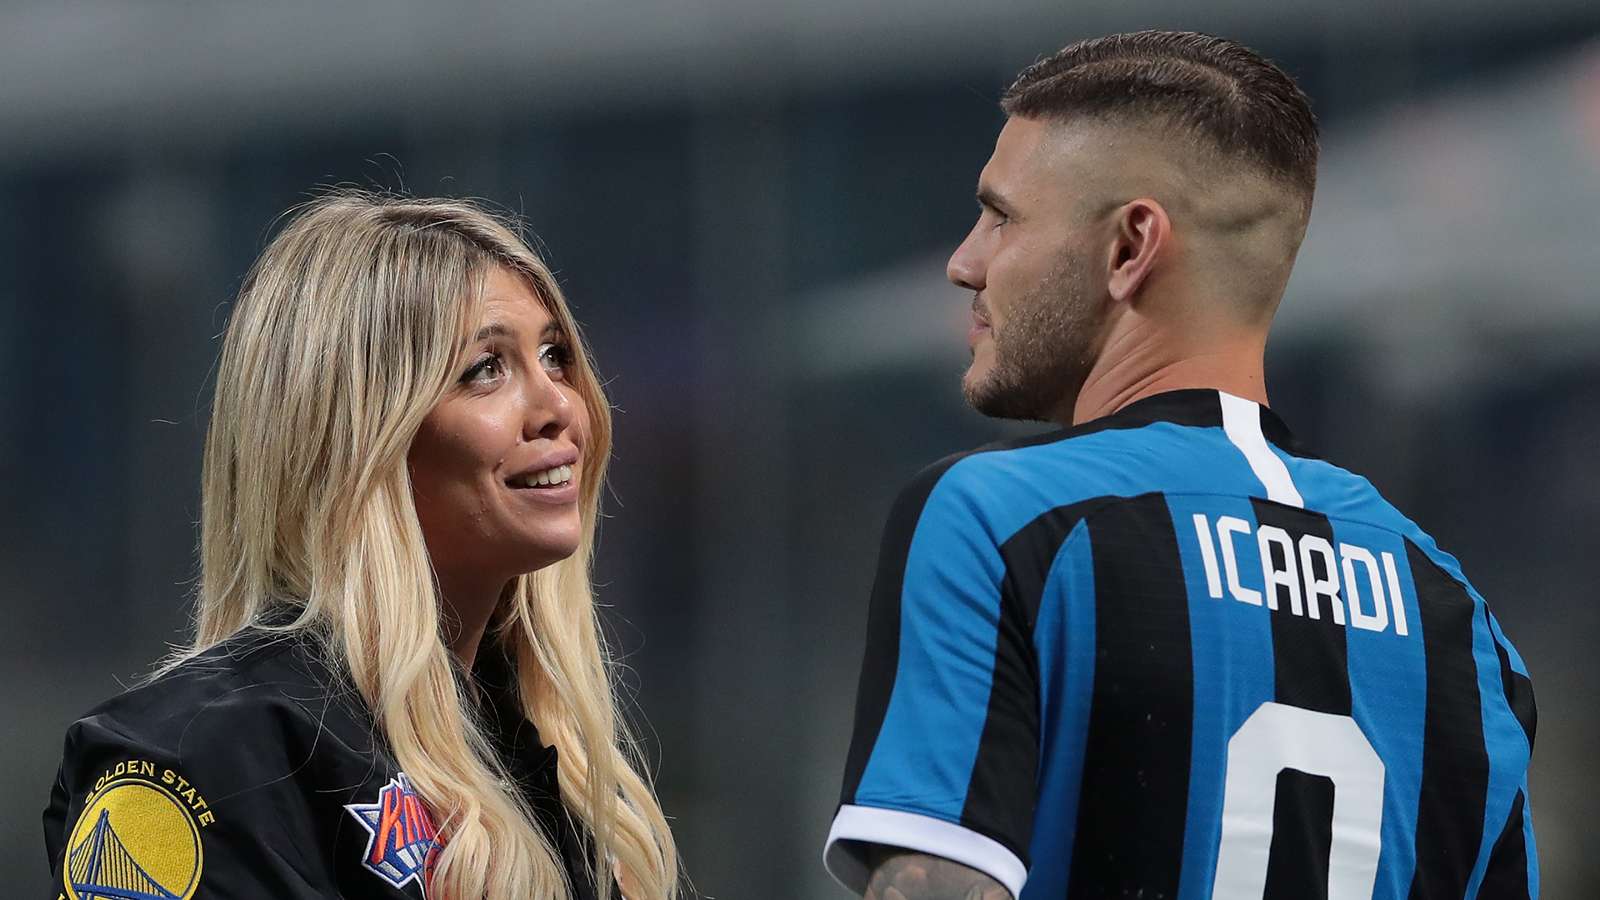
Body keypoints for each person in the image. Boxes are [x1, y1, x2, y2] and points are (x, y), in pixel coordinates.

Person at [823, 30, 1538, 900]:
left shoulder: (1000, 520)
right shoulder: (1462, 623)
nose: (963, 262)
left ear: (1131, 247)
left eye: (1001, 216)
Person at [44, 193, 679, 900]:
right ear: (357, 437)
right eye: (486, 368)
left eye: (555, 356)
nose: (560, 405)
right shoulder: (204, 756)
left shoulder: (548, 777)